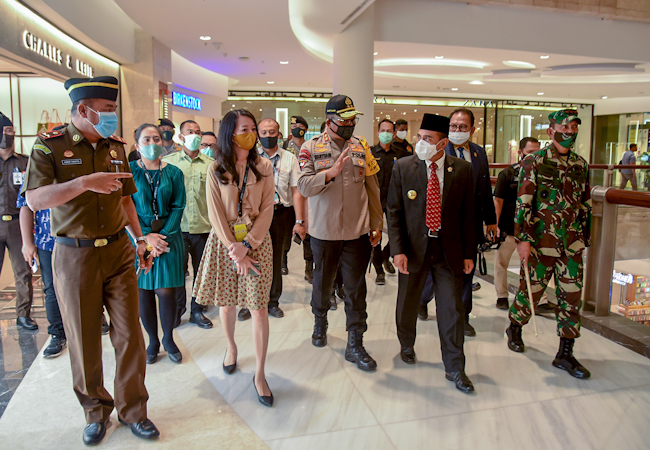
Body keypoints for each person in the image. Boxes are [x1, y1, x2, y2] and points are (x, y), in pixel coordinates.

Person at [21, 76, 159, 445]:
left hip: (118, 251)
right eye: (108, 110)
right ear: (83, 110)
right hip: (74, 255)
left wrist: (140, 238)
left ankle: (134, 410)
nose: (113, 117)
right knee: (84, 340)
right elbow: (35, 200)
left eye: (114, 109)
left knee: (130, 336)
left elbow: (127, 199)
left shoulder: (116, 147)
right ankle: (96, 412)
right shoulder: (49, 147)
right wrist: (84, 182)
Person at [387, 113, 476, 393]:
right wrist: (397, 250)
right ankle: (406, 343)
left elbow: (467, 216)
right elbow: (394, 212)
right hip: (414, 250)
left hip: (448, 251)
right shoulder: (403, 167)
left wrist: (468, 253)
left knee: (451, 309)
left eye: (429, 139)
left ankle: (455, 366)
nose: (421, 143)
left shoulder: (461, 170)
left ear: (443, 143)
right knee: (408, 302)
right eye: (419, 137)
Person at [192, 109, 275, 407]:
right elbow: (215, 213)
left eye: (253, 128)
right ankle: (231, 348)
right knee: (227, 305)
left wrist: (248, 245)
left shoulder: (264, 166)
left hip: (257, 244)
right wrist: (234, 247)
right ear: (230, 132)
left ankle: (260, 374)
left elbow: (267, 210)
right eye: (244, 128)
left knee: (259, 309)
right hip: (224, 245)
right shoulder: (215, 169)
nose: (251, 133)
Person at [297, 94, 383, 372]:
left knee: (356, 289)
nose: (348, 125)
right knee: (322, 283)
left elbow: (372, 188)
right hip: (324, 231)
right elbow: (304, 187)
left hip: (357, 232)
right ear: (328, 121)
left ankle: (355, 343)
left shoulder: (361, 147)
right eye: (342, 120)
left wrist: (377, 223)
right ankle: (320, 321)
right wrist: (331, 172)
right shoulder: (310, 148)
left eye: (352, 119)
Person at [506, 109, 592, 380]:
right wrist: (523, 239)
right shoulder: (534, 161)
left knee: (571, 297)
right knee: (531, 291)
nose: (569, 132)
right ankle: (515, 326)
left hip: (572, 244)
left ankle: (565, 352)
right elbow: (524, 203)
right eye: (564, 127)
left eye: (574, 127)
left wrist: (584, 238)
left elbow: (585, 204)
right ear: (551, 130)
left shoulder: (581, 164)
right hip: (541, 242)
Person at [420, 108, 497, 336]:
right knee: (437, 270)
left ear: (472, 130)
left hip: (470, 224)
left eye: (462, 127)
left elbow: (484, 189)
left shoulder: (478, 153)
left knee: (466, 269)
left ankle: (462, 316)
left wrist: (491, 221)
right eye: (453, 126)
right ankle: (422, 300)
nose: (457, 131)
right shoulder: (440, 150)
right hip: (444, 223)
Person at [238, 118, 305, 321]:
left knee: (276, 258)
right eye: (264, 133)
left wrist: (299, 221)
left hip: (280, 214)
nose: (268, 136)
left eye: (272, 132)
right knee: (250, 256)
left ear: (280, 134)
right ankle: (248, 302)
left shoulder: (289, 159)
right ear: (258, 135)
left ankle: (272, 301)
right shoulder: (248, 158)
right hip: (252, 216)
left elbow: (296, 191)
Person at [130, 123, 186, 364]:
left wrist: (162, 238)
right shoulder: (128, 171)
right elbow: (125, 207)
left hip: (169, 238)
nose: (152, 144)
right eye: (146, 140)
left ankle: (169, 338)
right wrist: (145, 237)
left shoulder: (174, 172)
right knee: (144, 292)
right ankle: (152, 340)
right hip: (138, 239)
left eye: (156, 139)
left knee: (166, 292)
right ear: (137, 145)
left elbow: (178, 206)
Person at [163, 120, 214, 329]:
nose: (195, 135)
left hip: (203, 228)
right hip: (177, 229)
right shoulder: (169, 162)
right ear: (181, 137)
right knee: (177, 272)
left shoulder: (210, 165)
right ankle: (177, 309)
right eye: (190, 132)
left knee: (201, 273)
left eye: (198, 132)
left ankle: (196, 310)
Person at [18, 186, 66, 357]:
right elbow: (25, 206)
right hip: (47, 240)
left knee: (86, 285)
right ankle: (57, 334)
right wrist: (27, 242)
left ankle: (96, 321)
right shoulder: (37, 167)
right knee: (51, 288)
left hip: (79, 238)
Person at [0, 112, 36, 331]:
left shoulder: (24, 162)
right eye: (4, 132)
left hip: (17, 223)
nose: (7, 136)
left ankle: (23, 314)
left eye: (10, 131)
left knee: (22, 271)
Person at [370, 119, 398, 285]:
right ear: (378, 132)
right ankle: (379, 271)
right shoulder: (372, 153)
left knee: (396, 234)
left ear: (394, 134)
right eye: (383, 130)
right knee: (375, 236)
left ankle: (385, 256)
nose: (386, 134)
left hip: (394, 201)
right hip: (375, 201)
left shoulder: (400, 154)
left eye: (389, 131)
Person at [282, 116, 309, 276]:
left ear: (305, 129)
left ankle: (308, 266)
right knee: (286, 231)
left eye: (299, 125)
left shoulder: (310, 146)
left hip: (307, 196)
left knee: (307, 232)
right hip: (289, 197)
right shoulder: (284, 146)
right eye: (293, 125)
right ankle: (283, 260)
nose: (296, 127)